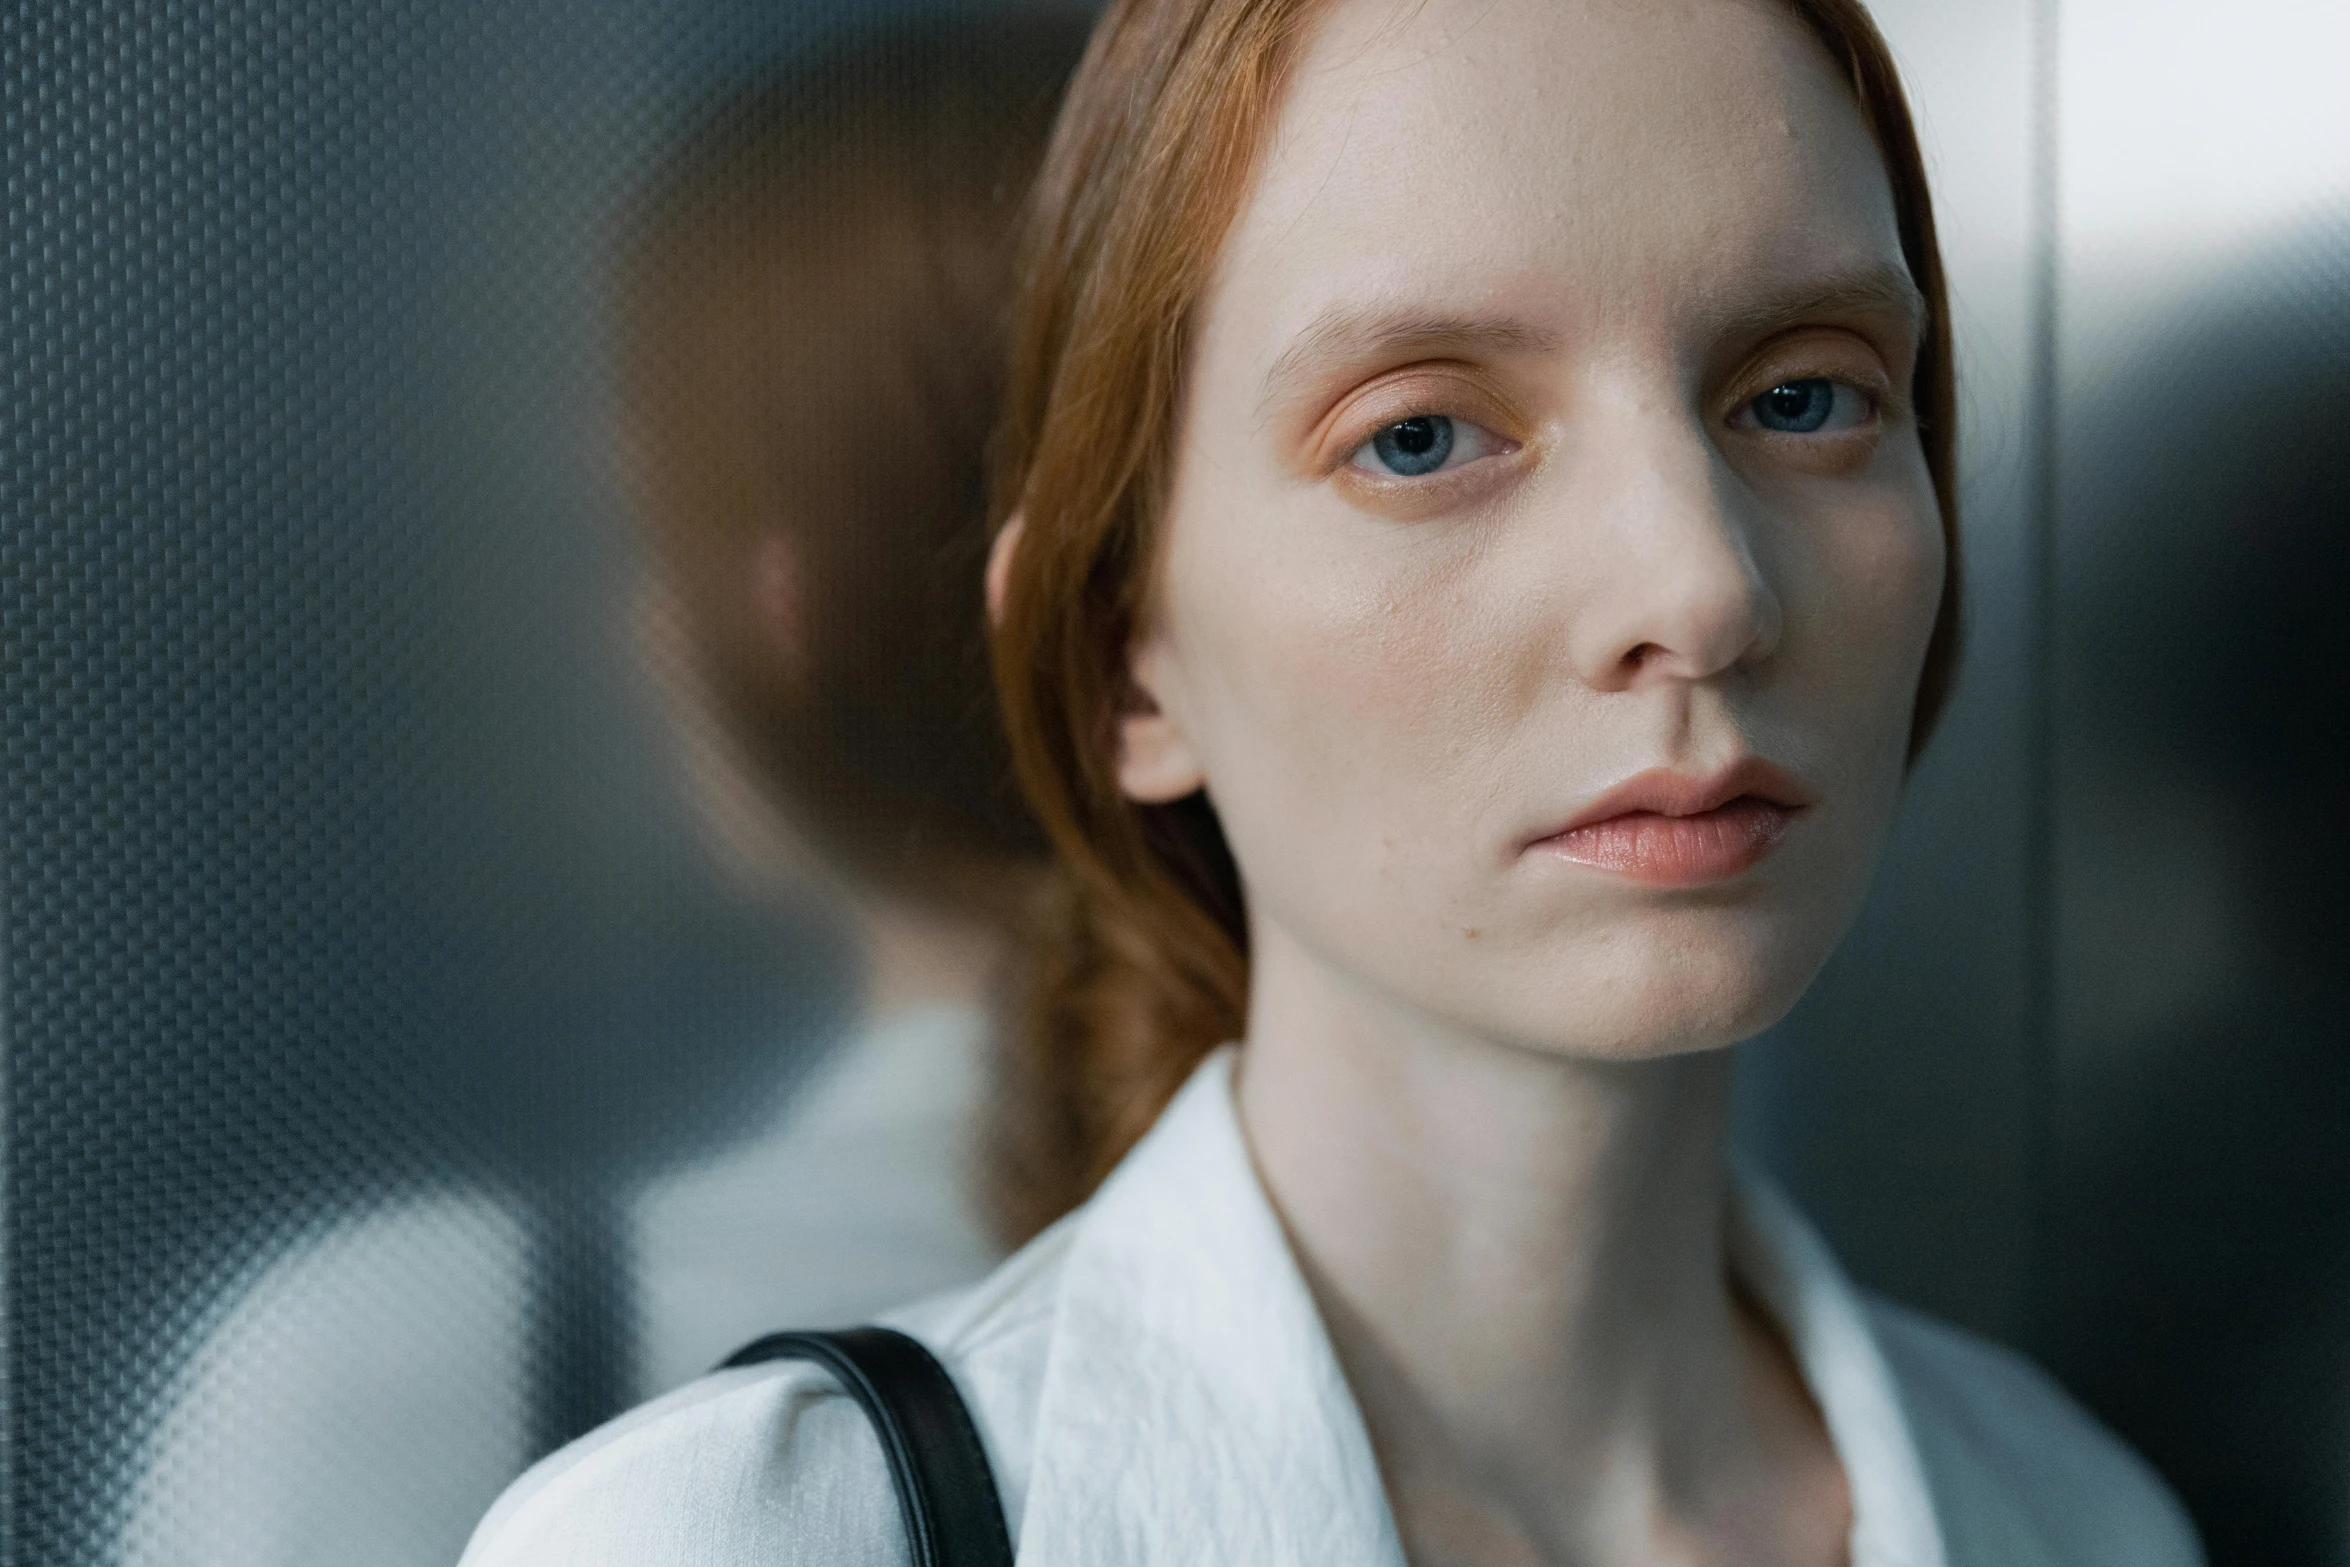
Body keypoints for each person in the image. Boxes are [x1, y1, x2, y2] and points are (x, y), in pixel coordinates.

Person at [464, 0, 2206, 1561]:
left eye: (1806, 397)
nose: (1702, 586)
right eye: (1418, 435)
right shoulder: (731, 1544)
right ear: (1117, 663)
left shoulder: (2082, 1519)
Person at [608, 15, 1086, 1385]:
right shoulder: (1555, 1305)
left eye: (647, 530)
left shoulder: (440, 1353)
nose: (639, 630)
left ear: (781, 605)